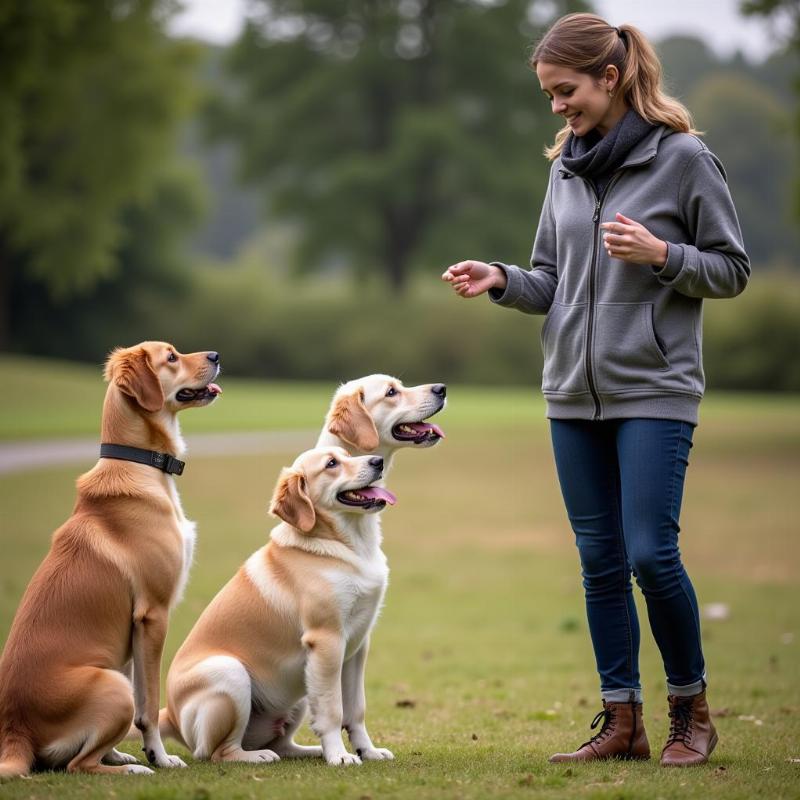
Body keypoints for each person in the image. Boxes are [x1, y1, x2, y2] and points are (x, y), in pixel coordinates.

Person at [442, 12, 749, 767]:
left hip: (654, 390)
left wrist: (662, 253)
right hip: (571, 398)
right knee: (600, 562)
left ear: (610, 78)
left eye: (565, 91)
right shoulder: (566, 168)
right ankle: (622, 722)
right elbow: (551, 278)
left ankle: (691, 712)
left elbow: (732, 269)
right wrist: (502, 280)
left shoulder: (684, 160)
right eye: (548, 94)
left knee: (650, 554)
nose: (557, 107)